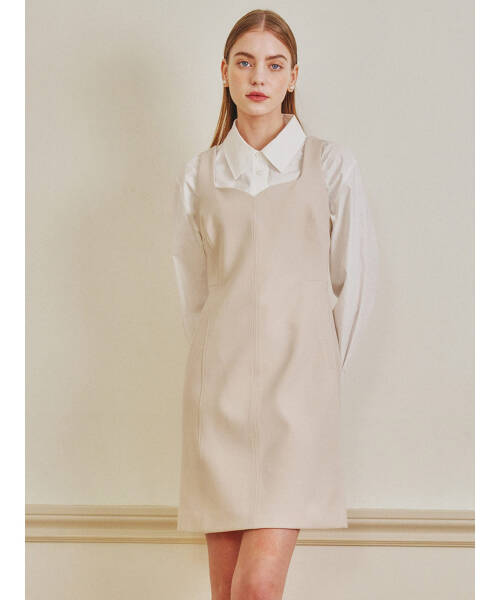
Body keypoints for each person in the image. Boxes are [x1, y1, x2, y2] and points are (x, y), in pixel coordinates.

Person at [170, 8, 379, 600]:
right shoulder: (199, 175)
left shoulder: (330, 165)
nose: (258, 76)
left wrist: (319, 377)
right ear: (224, 72)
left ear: (293, 77)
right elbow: (194, 296)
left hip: (298, 398)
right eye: (245, 62)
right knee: (226, 592)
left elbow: (355, 282)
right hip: (219, 399)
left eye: (274, 64)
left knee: (257, 586)